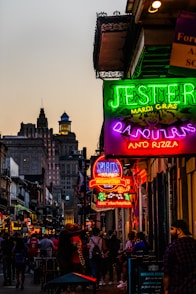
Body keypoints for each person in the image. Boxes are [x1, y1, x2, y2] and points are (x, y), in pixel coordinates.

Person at [163, 219, 196, 294]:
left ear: (179, 231)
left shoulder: (172, 247)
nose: (170, 232)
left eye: (172, 229)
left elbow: (167, 272)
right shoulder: (194, 244)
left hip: (177, 289)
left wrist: (166, 289)